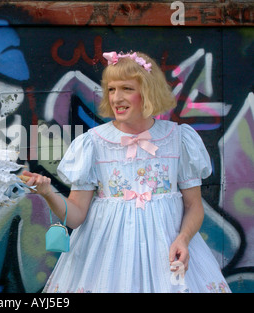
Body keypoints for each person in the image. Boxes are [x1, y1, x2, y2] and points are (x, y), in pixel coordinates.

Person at [23, 51, 231, 293]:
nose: (116, 98)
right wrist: (48, 193)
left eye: (126, 89)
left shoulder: (178, 139)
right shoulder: (93, 144)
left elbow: (194, 206)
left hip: (168, 255)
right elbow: (76, 216)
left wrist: (183, 238)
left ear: (148, 91)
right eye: (111, 89)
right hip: (106, 260)